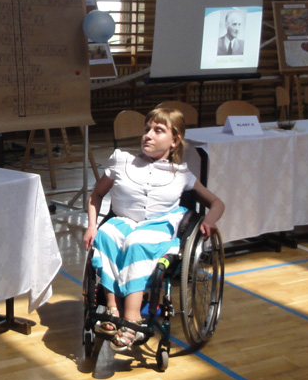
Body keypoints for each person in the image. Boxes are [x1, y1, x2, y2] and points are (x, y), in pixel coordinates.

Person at [83, 107, 225, 351]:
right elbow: (96, 195)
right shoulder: (121, 161)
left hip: (158, 228)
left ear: (174, 140)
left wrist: (209, 221)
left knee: (137, 242)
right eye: (147, 129)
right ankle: (112, 309)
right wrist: (91, 226)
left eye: (158, 130)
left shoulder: (182, 174)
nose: (148, 135)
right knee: (106, 234)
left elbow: (217, 203)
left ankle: (132, 319)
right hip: (123, 221)